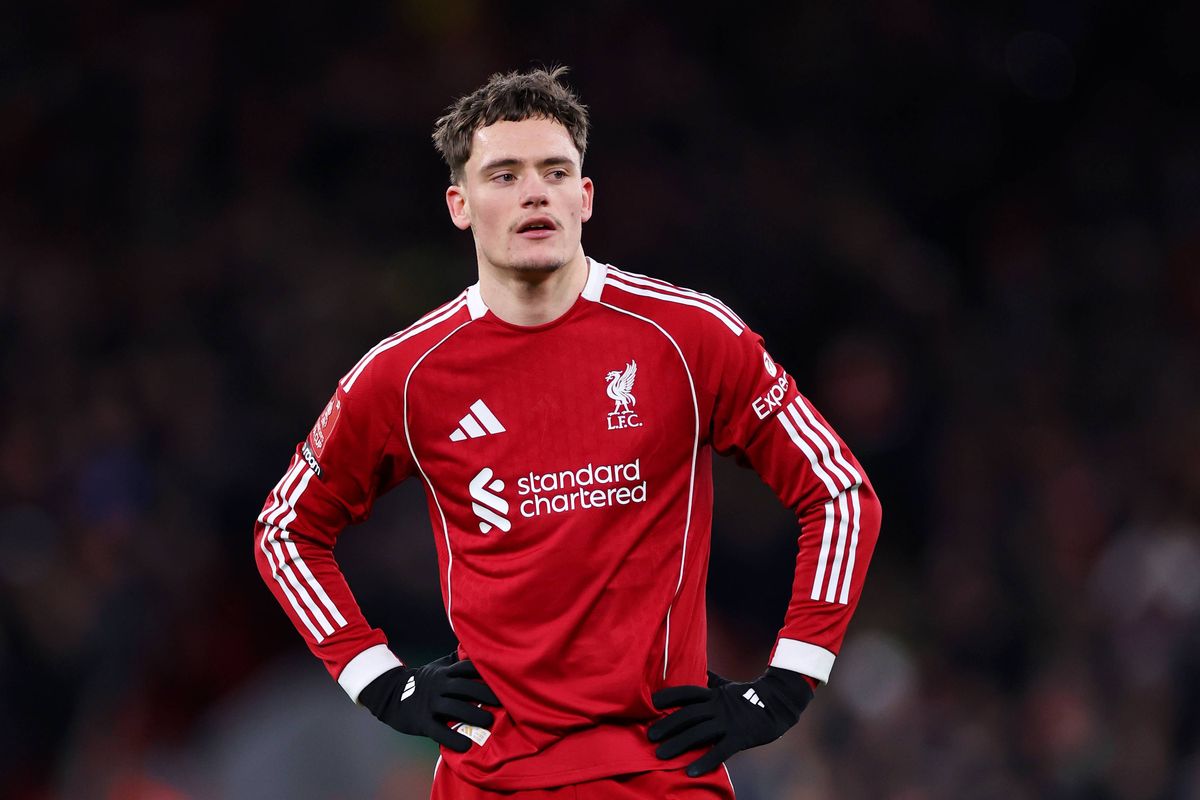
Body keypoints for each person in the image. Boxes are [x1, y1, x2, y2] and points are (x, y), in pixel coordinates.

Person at [253, 66, 882, 799]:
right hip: (490, 781)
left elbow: (840, 493)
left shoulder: (689, 337)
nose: (535, 192)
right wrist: (380, 681)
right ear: (460, 205)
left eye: (555, 171)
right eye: (505, 175)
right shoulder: (407, 374)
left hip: (660, 779)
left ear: (584, 196)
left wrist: (789, 683)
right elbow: (285, 530)